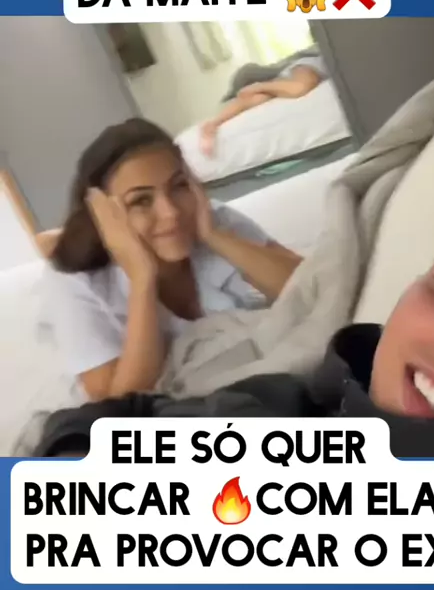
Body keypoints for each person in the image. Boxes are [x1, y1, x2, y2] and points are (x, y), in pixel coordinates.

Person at [34, 214, 434, 458]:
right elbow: (122, 409)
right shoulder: (280, 399)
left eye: (178, 187)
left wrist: (210, 231)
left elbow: (302, 284)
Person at [40, 119, 302, 403]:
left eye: (178, 186)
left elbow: (316, 287)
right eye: (141, 200)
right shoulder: (73, 281)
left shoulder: (213, 220)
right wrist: (142, 280)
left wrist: (215, 237)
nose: (171, 213)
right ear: (102, 214)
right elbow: (119, 405)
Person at [200, 55, 325, 157]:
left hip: (275, 76)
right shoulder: (307, 65)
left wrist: (215, 123)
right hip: (286, 68)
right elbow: (300, 87)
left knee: (258, 97)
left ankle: (212, 125)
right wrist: (257, 87)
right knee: (249, 78)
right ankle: (213, 123)